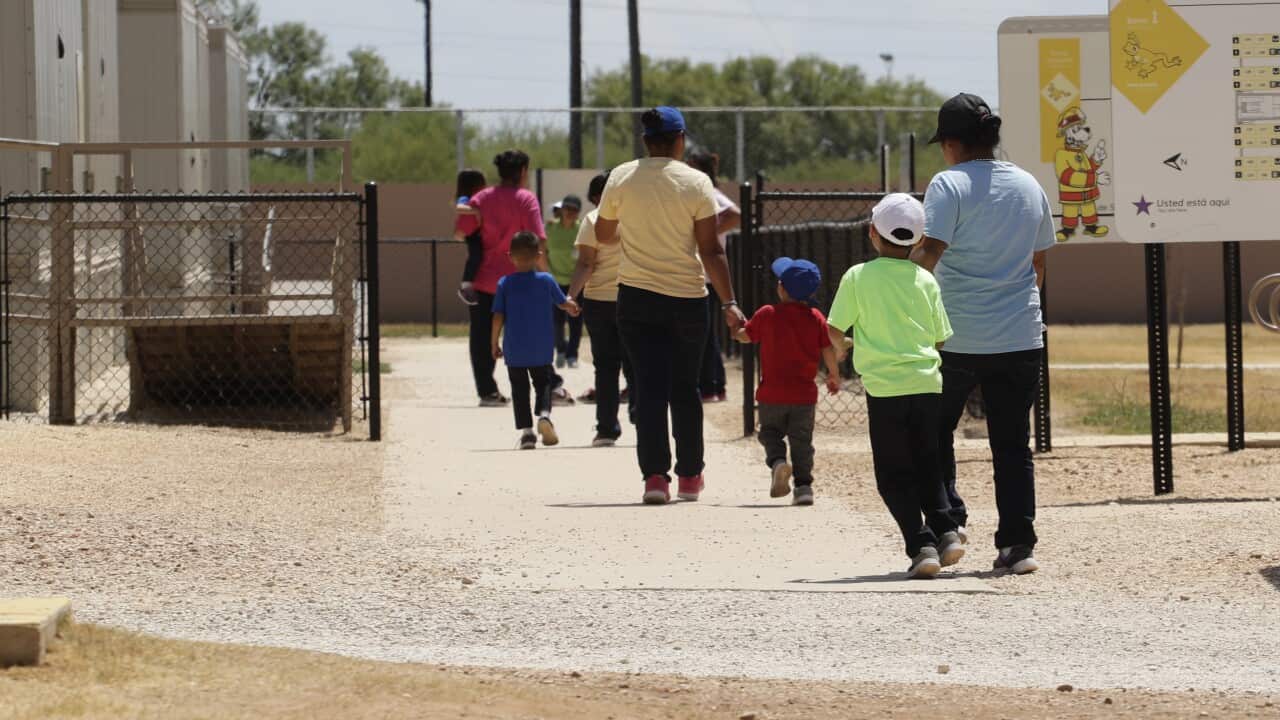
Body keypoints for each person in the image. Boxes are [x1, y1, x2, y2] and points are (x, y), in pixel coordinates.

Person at [910, 93, 1056, 575]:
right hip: (1019, 335)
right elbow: (1038, 261)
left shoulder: (947, 185)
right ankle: (1018, 545)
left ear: (951, 143)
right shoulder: (1028, 184)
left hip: (954, 335)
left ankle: (949, 523)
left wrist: (907, 307)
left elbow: (929, 253)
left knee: (935, 432)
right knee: (1012, 444)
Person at [594, 106, 746, 505]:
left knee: (647, 388)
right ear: (680, 140)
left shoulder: (621, 178)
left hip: (636, 296)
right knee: (685, 388)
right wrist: (729, 301)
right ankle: (690, 476)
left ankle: (655, 478)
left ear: (645, 141)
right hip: (687, 298)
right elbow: (711, 249)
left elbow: (604, 233)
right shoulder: (696, 182)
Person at [827, 194, 965, 579]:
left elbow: (834, 327)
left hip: (884, 389)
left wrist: (846, 347)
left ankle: (920, 545)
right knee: (928, 464)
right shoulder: (925, 279)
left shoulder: (857, 276)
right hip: (926, 384)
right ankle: (947, 531)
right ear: (919, 241)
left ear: (873, 233)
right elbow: (940, 337)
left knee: (892, 474)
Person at [735, 257, 841, 506]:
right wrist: (834, 375)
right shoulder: (815, 317)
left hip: (771, 394)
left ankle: (778, 462)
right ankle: (803, 487)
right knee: (802, 441)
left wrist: (737, 328)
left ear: (781, 288)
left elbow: (745, 337)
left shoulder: (767, 313)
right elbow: (827, 349)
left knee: (769, 433)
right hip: (804, 396)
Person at [464, 150, 547, 408]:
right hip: (519, 278)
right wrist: (545, 274)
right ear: (522, 172)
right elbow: (538, 240)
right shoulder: (526, 199)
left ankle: (487, 391)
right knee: (527, 332)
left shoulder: (481, 198)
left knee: (481, 336)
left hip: (486, 279)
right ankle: (542, 383)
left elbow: (462, 231)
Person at [491, 232, 581, 450]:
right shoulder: (546, 280)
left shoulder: (505, 283)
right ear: (539, 255)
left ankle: (527, 433)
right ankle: (544, 415)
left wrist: (494, 343)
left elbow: (498, 316)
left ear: (510, 256)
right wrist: (572, 306)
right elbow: (562, 302)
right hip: (541, 348)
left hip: (515, 350)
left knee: (519, 389)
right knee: (543, 384)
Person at [567, 172, 635, 447]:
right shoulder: (636, 220)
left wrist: (571, 295)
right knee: (637, 363)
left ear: (597, 197)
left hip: (598, 302)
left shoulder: (593, 221)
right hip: (634, 297)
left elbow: (586, 264)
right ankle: (642, 416)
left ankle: (607, 428)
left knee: (606, 367)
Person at [686, 149, 741, 403]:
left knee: (703, 334)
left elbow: (735, 215)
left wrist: (707, 233)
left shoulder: (707, 191)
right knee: (705, 333)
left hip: (706, 275)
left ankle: (711, 385)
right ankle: (714, 384)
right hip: (703, 273)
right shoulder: (698, 192)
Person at [546, 194, 585, 369]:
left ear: (578, 213)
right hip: (555, 281)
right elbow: (542, 252)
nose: (570, 213)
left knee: (575, 320)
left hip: (576, 282)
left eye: (574, 210)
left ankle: (572, 355)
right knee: (557, 320)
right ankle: (560, 350)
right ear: (561, 209)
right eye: (567, 208)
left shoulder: (581, 229)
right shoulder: (550, 228)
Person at [454, 168, 488, 307]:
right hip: (473, 235)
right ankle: (466, 285)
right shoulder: (466, 198)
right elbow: (459, 207)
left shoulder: (480, 199)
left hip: (478, 234)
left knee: (480, 256)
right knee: (475, 256)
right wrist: (476, 212)